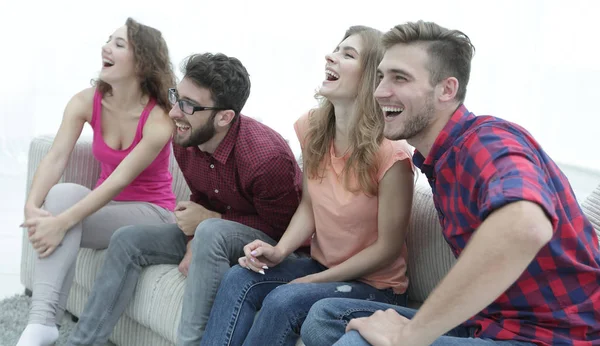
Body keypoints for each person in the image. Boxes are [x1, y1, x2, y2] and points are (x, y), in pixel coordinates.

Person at [301, 20, 600, 346]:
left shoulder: (488, 142)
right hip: (489, 323)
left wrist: (408, 337)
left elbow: (527, 226)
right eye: (380, 76)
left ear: (447, 89)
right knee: (325, 315)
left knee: (358, 343)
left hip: (554, 336)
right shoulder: (437, 162)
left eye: (400, 78)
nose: (379, 92)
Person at [64, 52, 304, 346]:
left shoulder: (266, 159)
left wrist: (209, 222)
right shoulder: (186, 140)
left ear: (224, 117)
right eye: (177, 96)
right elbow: (201, 201)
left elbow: (281, 233)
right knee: (127, 239)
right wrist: (194, 241)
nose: (175, 111)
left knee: (210, 231)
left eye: (188, 105)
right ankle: (82, 341)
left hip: (267, 244)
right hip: (212, 234)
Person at [199, 25, 415, 346]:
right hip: (321, 264)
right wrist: (279, 251)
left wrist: (312, 280)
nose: (331, 56)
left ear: (372, 76)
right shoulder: (313, 128)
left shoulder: (392, 156)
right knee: (239, 277)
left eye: (348, 54)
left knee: (283, 300)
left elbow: (386, 250)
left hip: (375, 286)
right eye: (336, 49)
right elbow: (310, 205)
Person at [15, 17, 177, 346]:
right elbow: (56, 157)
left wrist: (61, 222)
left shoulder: (159, 117)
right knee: (60, 195)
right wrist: (33, 208)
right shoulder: (86, 101)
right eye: (108, 40)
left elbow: (118, 180)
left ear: (142, 62)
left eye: (119, 44)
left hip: (152, 214)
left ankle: (43, 327)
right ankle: (42, 322)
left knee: (62, 215)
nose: (106, 47)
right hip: (108, 210)